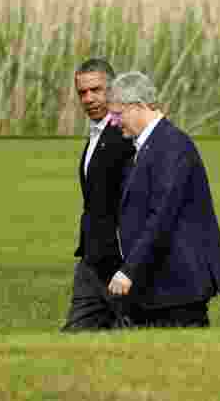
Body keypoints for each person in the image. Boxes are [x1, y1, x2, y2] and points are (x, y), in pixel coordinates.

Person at [105, 71, 220, 328]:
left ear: (138, 106)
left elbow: (161, 216)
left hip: (179, 286)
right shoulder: (146, 146)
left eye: (118, 114)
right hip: (159, 285)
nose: (113, 122)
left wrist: (128, 270)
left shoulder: (172, 146)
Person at [61, 58, 137, 331]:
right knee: (76, 332)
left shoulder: (125, 134)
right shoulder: (97, 134)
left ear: (113, 90)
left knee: (130, 332)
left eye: (97, 90)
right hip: (92, 257)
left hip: (118, 258)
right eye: (83, 92)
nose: (89, 98)